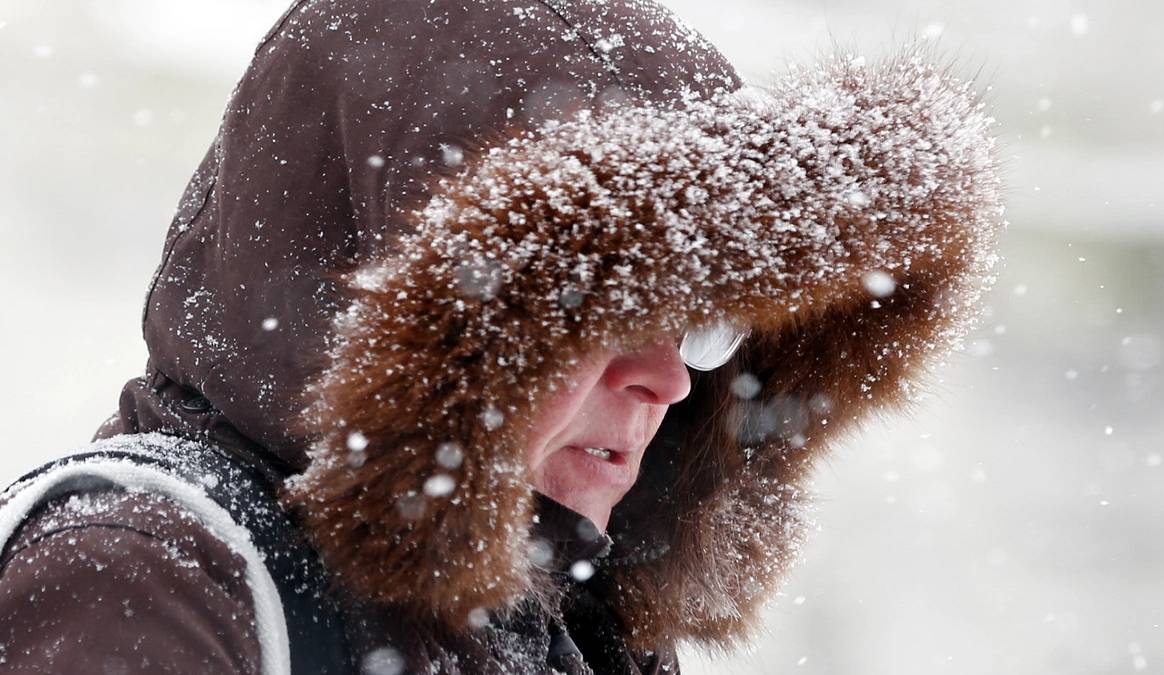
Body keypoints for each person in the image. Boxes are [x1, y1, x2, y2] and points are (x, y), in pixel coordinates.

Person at [0, 0, 1002, 673]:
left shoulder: (571, 615)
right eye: (598, 311)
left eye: (699, 320)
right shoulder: (145, 578)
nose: (667, 379)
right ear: (402, 326)